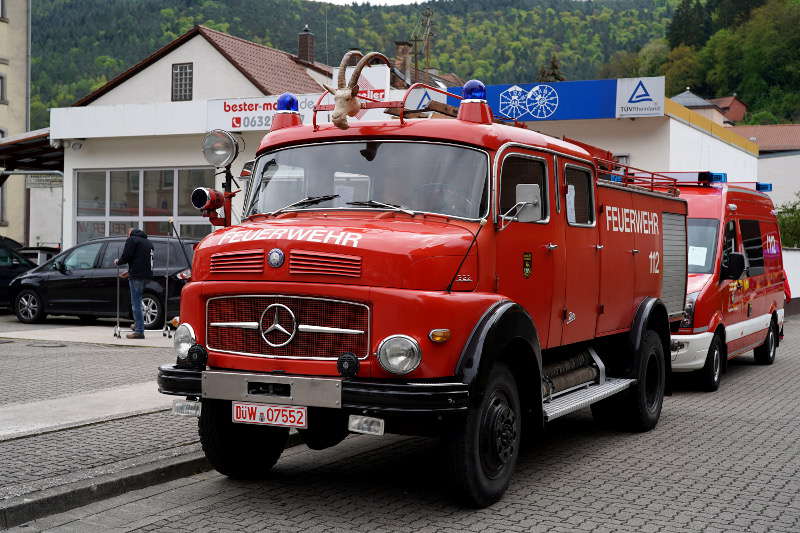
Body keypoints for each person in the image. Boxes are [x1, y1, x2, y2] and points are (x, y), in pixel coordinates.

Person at [115, 228, 154, 339]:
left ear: (130, 233)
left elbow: (126, 256)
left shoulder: (132, 240)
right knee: (139, 301)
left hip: (136, 276)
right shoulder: (148, 242)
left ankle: (139, 331)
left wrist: (118, 262)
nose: (127, 237)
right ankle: (138, 324)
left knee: (136, 303)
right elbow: (141, 261)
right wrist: (129, 272)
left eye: (128, 234)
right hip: (145, 275)